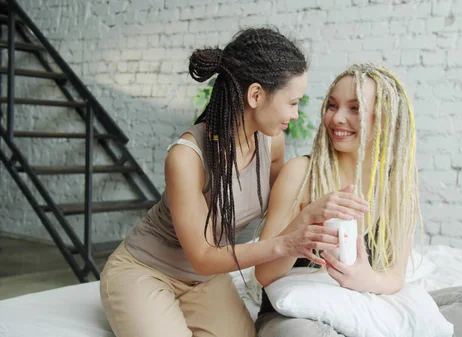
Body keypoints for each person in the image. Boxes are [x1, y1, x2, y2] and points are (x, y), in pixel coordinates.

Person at [99, 27, 368, 337]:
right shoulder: (187, 157)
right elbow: (201, 257)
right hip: (146, 270)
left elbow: (288, 202)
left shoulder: (272, 144)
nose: (296, 114)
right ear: (255, 95)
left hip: (205, 281)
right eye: (292, 102)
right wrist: (283, 243)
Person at [254, 63, 462, 337]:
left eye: (355, 108)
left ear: (385, 118)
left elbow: (394, 277)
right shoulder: (300, 173)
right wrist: (307, 218)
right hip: (301, 316)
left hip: (367, 305)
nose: (337, 118)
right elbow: (264, 275)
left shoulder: (395, 186)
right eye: (332, 106)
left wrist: (365, 279)